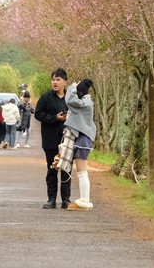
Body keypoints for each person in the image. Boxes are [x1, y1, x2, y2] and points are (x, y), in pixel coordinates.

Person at [35, 67, 71, 209]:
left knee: (66, 170)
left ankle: (66, 200)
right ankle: (51, 199)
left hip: (67, 140)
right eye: (53, 79)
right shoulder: (46, 97)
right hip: (50, 139)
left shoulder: (70, 99)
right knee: (52, 170)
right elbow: (38, 114)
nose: (55, 82)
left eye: (58, 79)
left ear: (65, 82)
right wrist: (54, 118)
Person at [64, 78, 96, 210]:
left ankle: (84, 200)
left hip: (83, 139)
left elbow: (70, 100)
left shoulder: (85, 104)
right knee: (82, 172)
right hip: (84, 139)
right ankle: (84, 199)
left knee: (82, 172)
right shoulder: (86, 102)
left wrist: (71, 88)